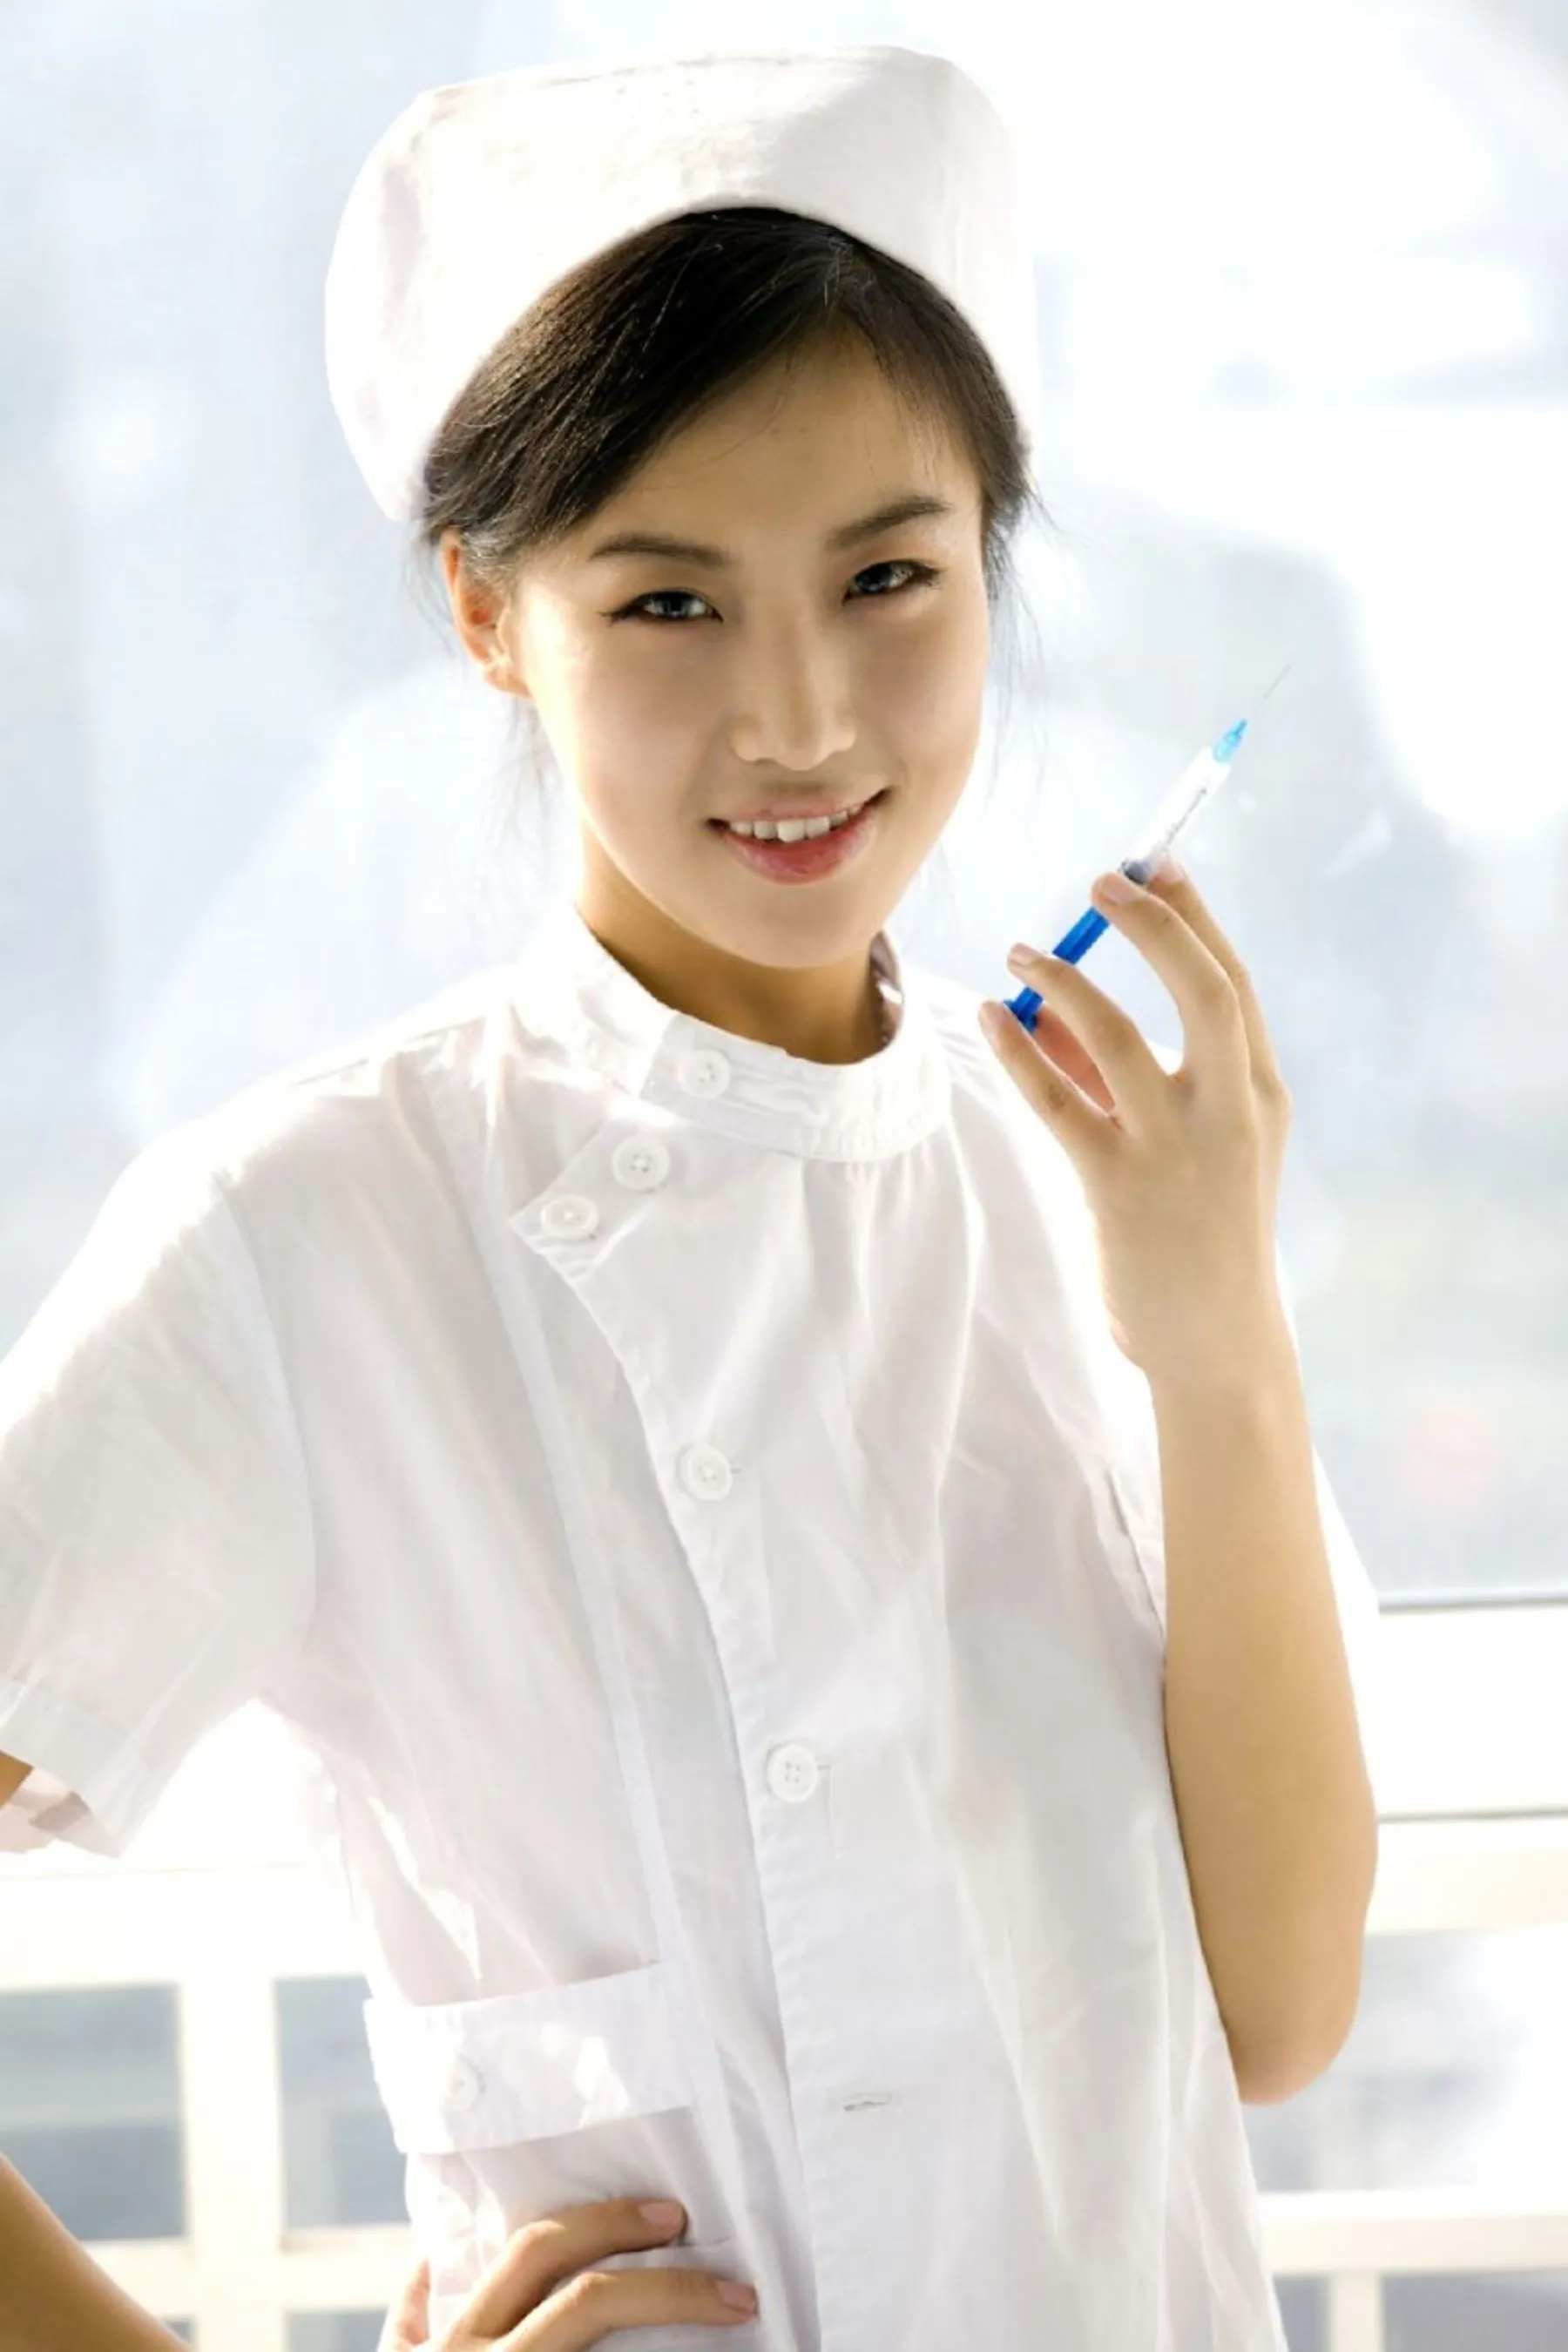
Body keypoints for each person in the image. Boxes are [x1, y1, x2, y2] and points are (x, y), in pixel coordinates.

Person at [0, 42, 1385, 2350]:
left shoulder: (1101, 1194)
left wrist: (1219, 1334)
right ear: (487, 614)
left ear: (991, 559)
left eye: (887, 575)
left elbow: (1278, 2007)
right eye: (668, 604)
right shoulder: (310, 1229)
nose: (803, 718)